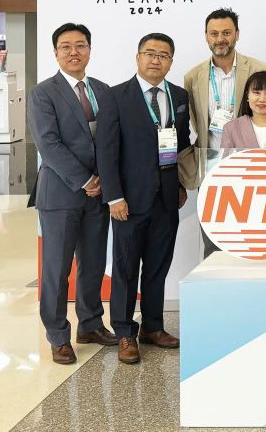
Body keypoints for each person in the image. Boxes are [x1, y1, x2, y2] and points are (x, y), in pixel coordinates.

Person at [97, 32, 191, 365]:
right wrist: (114, 197)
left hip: (167, 200)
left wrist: (180, 185)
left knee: (157, 267)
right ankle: (125, 332)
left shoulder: (179, 96)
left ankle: (153, 326)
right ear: (138, 58)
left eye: (163, 55)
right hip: (128, 201)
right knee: (125, 270)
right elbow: (106, 151)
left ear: (170, 62)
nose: (156, 60)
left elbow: (180, 145)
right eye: (150, 53)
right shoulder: (115, 96)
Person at [27, 23, 118, 364]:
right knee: (57, 268)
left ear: (90, 51)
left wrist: (106, 180)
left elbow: (111, 139)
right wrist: (85, 179)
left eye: (80, 45)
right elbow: (48, 144)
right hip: (61, 194)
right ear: (56, 53)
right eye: (66, 46)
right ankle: (58, 335)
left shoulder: (103, 90)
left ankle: (90, 324)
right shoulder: (43, 93)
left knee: (93, 265)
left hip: (98, 194)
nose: (73, 52)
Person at [181, 7, 266, 256]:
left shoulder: (259, 69)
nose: (220, 39)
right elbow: (195, 121)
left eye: (226, 33)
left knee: (253, 239)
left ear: (237, 34)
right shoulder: (192, 77)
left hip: (250, 167)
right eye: (214, 34)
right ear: (206, 37)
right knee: (213, 242)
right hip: (210, 168)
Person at [220, 70, 266, 150]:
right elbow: (225, 158)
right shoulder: (230, 128)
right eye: (257, 92)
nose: (262, 99)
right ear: (247, 95)